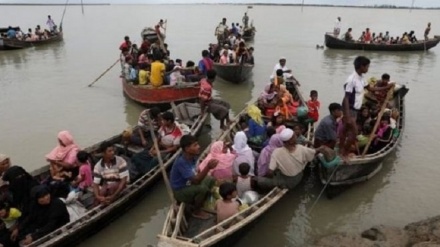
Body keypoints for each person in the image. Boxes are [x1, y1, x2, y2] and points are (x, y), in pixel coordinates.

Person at [257, 128, 323, 190]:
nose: (296, 137)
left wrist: (272, 178)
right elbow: (313, 153)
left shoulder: (276, 152)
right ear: (290, 141)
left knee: (258, 180)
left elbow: (270, 172)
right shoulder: (301, 148)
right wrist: (321, 148)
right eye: (294, 136)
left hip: (288, 181)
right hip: (299, 176)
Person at [170, 135, 217, 219]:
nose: (198, 147)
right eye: (195, 145)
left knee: (211, 179)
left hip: (189, 184)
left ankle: (198, 202)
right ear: (187, 149)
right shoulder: (181, 162)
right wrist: (208, 167)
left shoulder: (193, 157)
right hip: (180, 191)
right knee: (202, 189)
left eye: (197, 144)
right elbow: (196, 181)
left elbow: (196, 172)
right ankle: (196, 211)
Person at [131, 111, 183, 178]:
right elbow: (157, 138)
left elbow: (173, 148)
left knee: (155, 160)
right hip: (159, 146)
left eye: (163, 120)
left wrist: (158, 152)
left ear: (169, 121)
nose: (162, 122)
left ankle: (145, 170)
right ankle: (141, 167)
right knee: (137, 156)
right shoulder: (163, 127)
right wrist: (153, 148)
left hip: (167, 152)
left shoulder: (178, 133)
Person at [342, 56, 370, 120]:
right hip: (351, 110)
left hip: (356, 109)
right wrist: (347, 115)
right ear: (362, 66)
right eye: (367, 67)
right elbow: (346, 98)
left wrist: (386, 87)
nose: (368, 69)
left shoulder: (362, 78)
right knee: (351, 129)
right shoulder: (352, 80)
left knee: (349, 129)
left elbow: (370, 88)